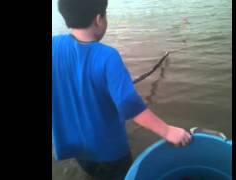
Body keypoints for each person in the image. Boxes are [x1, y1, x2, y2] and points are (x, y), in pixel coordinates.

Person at [52, 0, 192, 179]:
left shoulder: (54, 46)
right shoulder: (107, 56)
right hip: (110, 152)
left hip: (75, 147)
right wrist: (167, 131)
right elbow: (128, 103)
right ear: (98, 19)